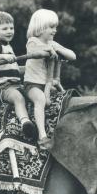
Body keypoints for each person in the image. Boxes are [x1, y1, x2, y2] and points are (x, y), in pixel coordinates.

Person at [24, 9, 76, 149]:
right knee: (40, 100)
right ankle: (42, 136)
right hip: (32, 84)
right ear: (40, 28)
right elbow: (34, 53)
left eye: (55, 27)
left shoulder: (52, 42)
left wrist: (57, 49)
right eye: (51, 27)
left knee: (65, 99)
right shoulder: (32, 41)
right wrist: (49, 49)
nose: (55, 30)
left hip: (48, 85)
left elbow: (72, 56)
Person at [0, 11, 37, 139]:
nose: (9, 31)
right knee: (18, 98)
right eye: (4, 29)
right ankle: (25, 122)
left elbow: (14, 69)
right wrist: (4, 56)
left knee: (33, 91)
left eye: (11, 28)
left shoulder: (9, 46)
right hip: (4, 87)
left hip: (17, 84)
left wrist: (30, 68)